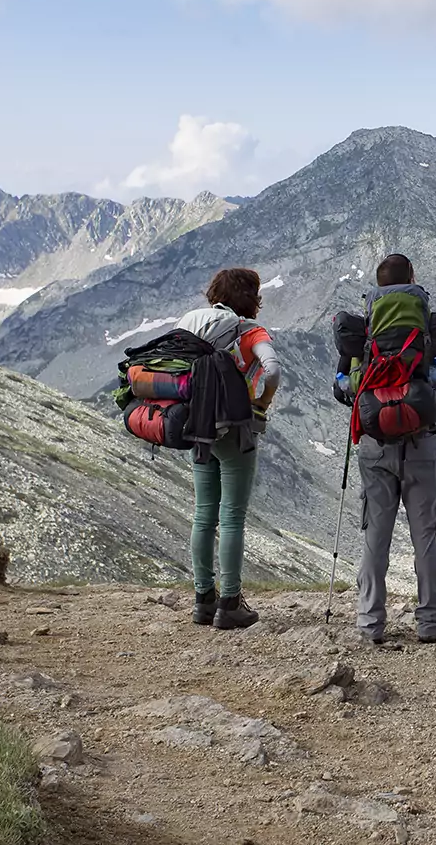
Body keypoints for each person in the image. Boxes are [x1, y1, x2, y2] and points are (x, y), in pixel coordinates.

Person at [341, 253, 436, 644]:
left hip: (375, 444)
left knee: (376, 536)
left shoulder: (362, 331)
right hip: (422, 442)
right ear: (413, 280)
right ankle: (431, 622)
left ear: (377, 287)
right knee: (425, 535)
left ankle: (370, 622)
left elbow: (341, 387)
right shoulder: (431, 325)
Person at [177, 267, 282, 630]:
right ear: (251, 298)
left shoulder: (189, 322)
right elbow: (272, 370)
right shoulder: (248, 330)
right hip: (236, 429)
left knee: (203, 514)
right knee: (232, 516)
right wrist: (262, 403)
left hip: (198, 426)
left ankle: (203, 599)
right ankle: (230, 603)